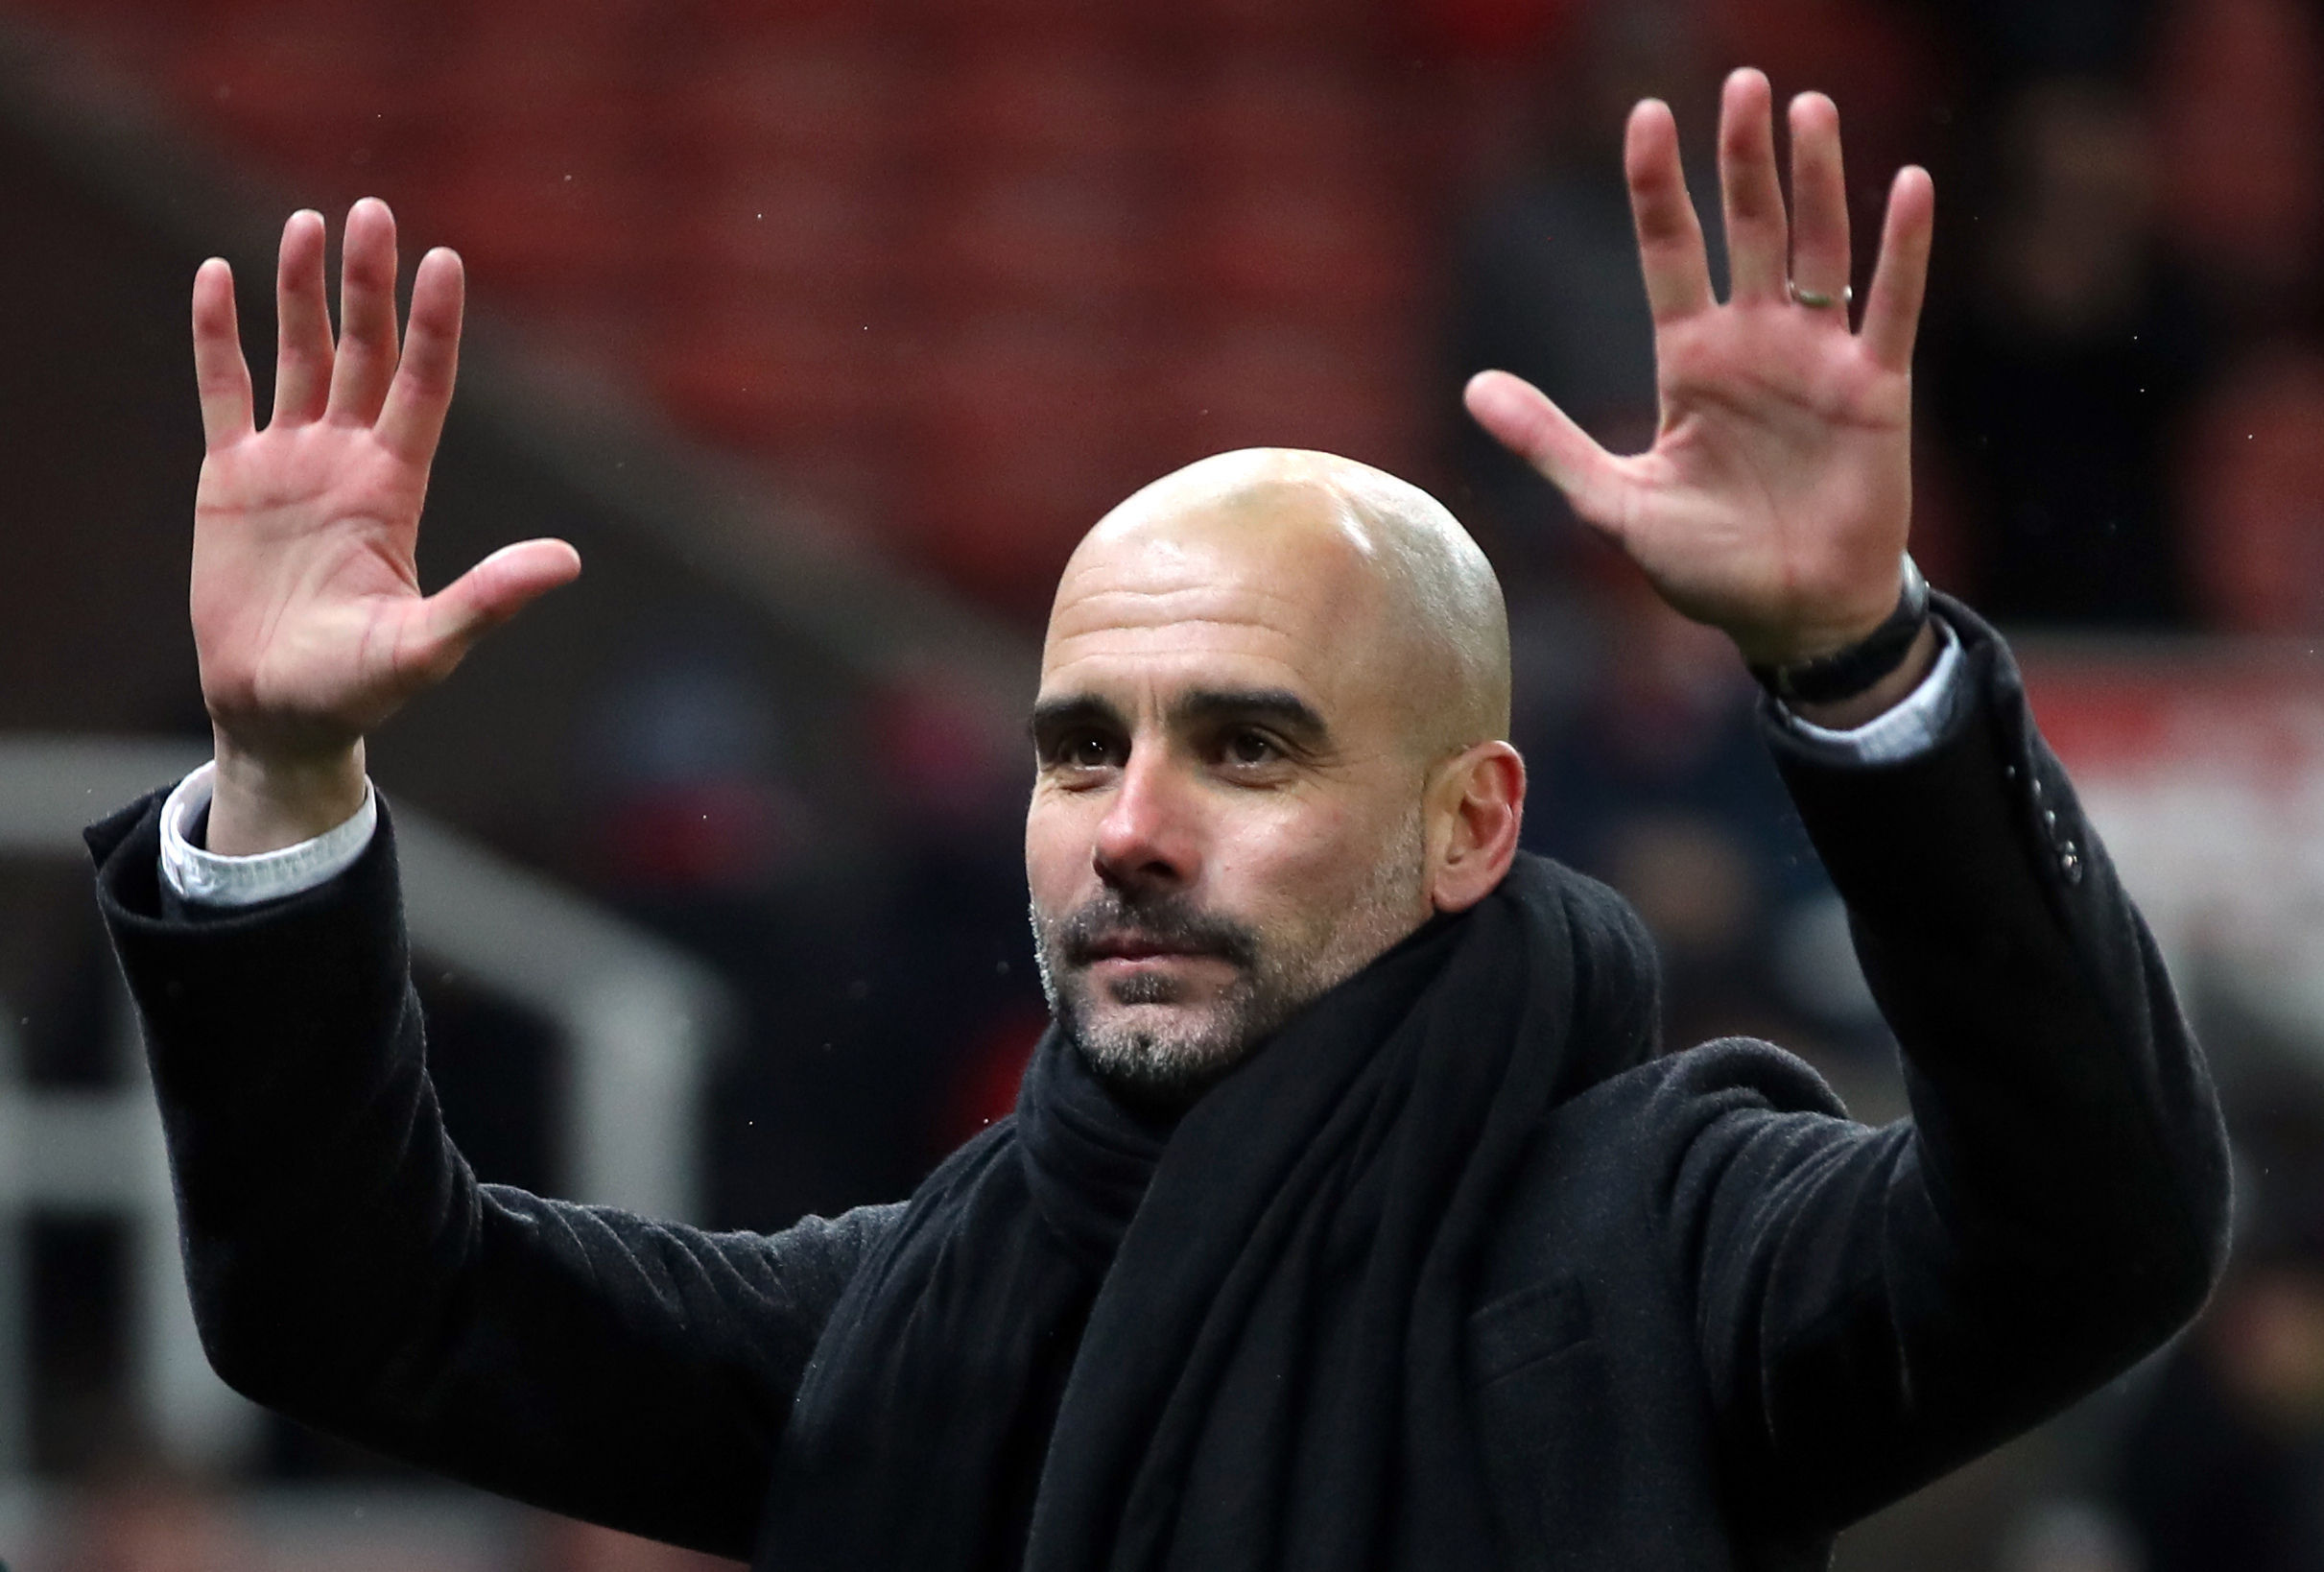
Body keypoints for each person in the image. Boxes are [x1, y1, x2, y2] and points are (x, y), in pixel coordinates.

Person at [87, 71, 2229, 1571]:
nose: (1126, 826)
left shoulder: (1668, 1247)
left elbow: (2091, 1230)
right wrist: (284, 777)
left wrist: (1856, 662)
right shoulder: (912, 1301)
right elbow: (357, 1306)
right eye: (1077, 745)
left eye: (1248, 746)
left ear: (1474, 820)